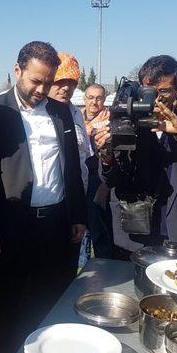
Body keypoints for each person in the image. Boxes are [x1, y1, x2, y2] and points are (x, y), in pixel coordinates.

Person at [0, 41, 87, 353]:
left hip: (56, 224)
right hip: (12, 227)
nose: (41, 89)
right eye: (35, 81)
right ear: (18, 71)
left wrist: (78, 214)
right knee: (10, 306)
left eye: (47, 83)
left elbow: (72, 168)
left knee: (49, 300)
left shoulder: (61, 112)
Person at [98, 55, 177, 252]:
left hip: (176, 231)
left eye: (164, 91)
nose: (156, 99)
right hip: (134, 231)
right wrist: (106, 158)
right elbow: (111, 179)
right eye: (149, 91)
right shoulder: (126, 121)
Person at [82, 84, 119, 259]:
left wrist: (106, 184)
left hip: (99, 178)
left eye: (98, 98)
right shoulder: (76, 118)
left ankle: (103, 267)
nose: (94, 102)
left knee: (99, 227)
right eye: (90, 97)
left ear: (104, 100)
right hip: (79, 177)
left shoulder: (111, 121)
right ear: (84, 99)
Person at [48, 52, 89, 191]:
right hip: (51, 198)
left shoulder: (77, 114)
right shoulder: (35, 115)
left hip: (79, 192)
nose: (66, 88)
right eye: (60, 81)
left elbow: (85, 154)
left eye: (72, 83)